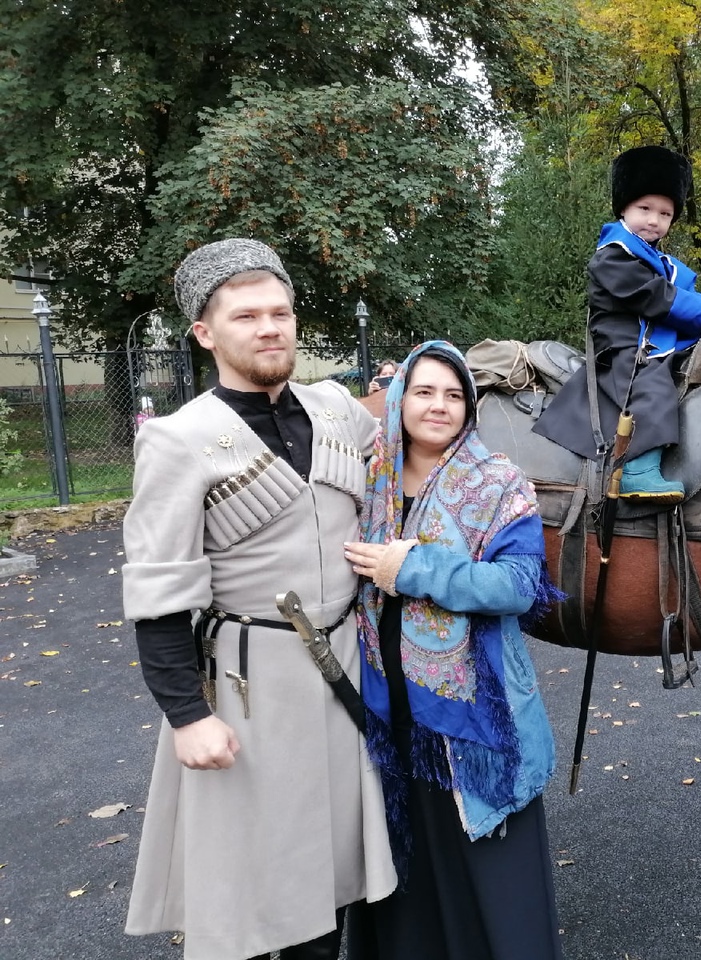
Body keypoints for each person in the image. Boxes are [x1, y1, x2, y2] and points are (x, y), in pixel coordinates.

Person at [121, 239, 397, 959]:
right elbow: (159, 592)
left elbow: (419, 455)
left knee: (330, 880)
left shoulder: (337, 410)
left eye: (281, 312)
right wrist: (186, 715)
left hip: (342, 676)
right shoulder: (178, 441)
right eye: (247, 316)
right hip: (245, 687)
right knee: (247, 891)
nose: (270, 327)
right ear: (206, 333)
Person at [343, 341, 563, 960]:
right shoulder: (368, 479)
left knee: (488, 871)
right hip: (386, 710)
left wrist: (412, 567)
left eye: (454, 394)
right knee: (403, 866)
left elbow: (520, 586)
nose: (439, 405)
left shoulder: (496, 482)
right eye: (424, 391)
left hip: (472, 720)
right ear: (398, 398)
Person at [533, 145, 701, 503]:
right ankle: (636, 469)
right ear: (624, 208)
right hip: (621, 345)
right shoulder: (614, 255)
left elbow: (682, 293)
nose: (654, 220)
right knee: (651, 385)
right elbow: (653, 296)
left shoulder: (659, 260)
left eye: (665, 213)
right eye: (645, 209)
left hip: (652, 339)